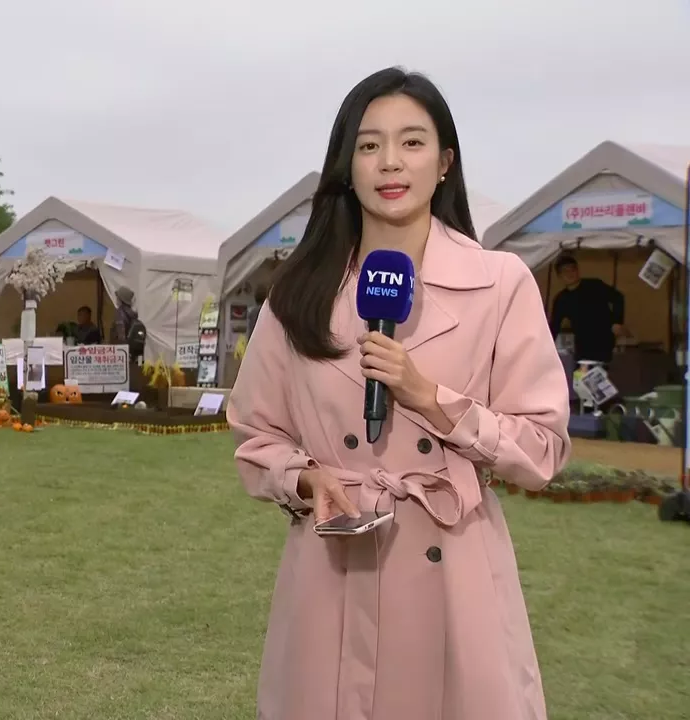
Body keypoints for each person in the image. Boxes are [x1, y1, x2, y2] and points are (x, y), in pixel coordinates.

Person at [226, 67, 570, 720]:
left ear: (444, 163)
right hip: (333, 568)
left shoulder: (501, 284)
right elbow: (257, 435)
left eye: (412, 143)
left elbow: (543, 449)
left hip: (454, 576)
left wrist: (429, 396)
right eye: (369, 144)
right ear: (346, 167)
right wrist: (302, 479)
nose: (390, 162)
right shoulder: (298, 292)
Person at [549, 254, 626, 364]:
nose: (570, 274)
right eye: (565, 271)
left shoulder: (594, 285)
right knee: (583, 375)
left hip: (604, 339)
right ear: (560, 276)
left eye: (572, 269)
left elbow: (618, 297)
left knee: (601, 373)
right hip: (582, 345)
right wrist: (546, 347)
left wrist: (617, 322)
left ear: (578, 271)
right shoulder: (561, 299)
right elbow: (555, 325)